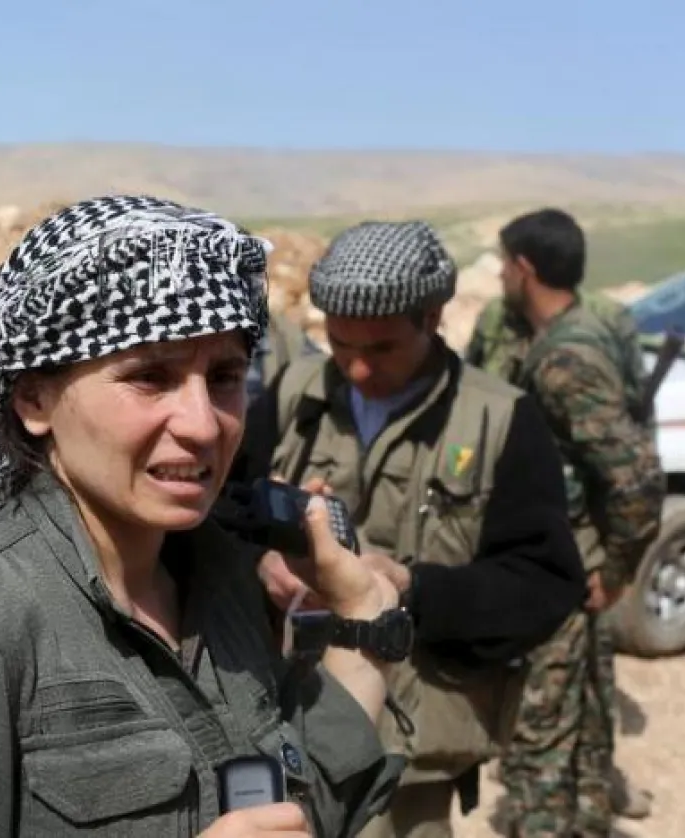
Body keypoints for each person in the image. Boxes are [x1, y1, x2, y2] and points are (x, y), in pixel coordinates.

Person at [0, 195, 410, 837]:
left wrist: (362, 628)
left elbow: (296, 807)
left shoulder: (225, 584)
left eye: (225, 376)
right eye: (151, 378)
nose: (203, 424)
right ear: (35, 399)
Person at [242, 219, 588, 837]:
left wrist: (412, 589)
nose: (356, 370)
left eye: (379, 350)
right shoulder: (294, 394)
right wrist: (261, 562)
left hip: (412, 753)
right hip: (286, 726)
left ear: (432, 319)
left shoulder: (501, 420)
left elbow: (544, 582)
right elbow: (225, 516)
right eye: (341, 346)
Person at [466, 207, 665, 837]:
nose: (499, 275)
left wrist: (616, 571)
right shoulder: (564, 337)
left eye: (503, 263)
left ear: (525, 269)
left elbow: (635, 477)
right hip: (567, 557)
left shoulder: (566, 360)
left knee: (541, 739)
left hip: (566, 567)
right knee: (577, 722)